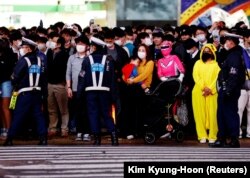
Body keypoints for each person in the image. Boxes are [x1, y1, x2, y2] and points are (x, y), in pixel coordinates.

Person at [4, 38, 48, 146]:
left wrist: (15, 84)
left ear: (28, 49)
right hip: (37, 93)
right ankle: (43, 138)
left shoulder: (23, 60)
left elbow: (15, 76)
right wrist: (44, 95)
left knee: (18, 115)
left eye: (23, 47)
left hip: (24, 93)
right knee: (38, 116)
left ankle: (10, 138)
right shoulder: (39, 61)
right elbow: (43, 79)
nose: (22, 49)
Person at [77, 36, 118, 146]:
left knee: (93, 114)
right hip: (105, 92)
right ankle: (114, 137)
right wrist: (114, 96)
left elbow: (82, 77)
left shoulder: (87, 60)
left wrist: (79, 94)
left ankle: (97, 139)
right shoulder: (109, 60)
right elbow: (112, 79)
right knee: (106, 114)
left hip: (90, 92)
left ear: (94, 47)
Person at [211, 34, 245, 148]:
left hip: (230, 89)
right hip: (225, 88)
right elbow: (220, 62)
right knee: (221, 114)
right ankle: (222, 138)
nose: (225, 43)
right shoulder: (230, 54)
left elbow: (233, 74)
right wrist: (219, 49)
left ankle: (233, 139)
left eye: (227, 41)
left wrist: (228, 90)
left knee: (230, 114)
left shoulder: (235, 55)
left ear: (231, 42)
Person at [192, 44, 220, 144]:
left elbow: (218, 78)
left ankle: (213, 135)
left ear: (212, 52)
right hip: (198, 92)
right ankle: (202, 135)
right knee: (199, 115)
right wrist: (204, 87)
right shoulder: (197, 63)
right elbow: (196, 76)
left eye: (208, 51)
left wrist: (210, 89)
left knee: (213, 114)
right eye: (204, 50)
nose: (206, 52)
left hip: (212, 93)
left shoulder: (217, 65)